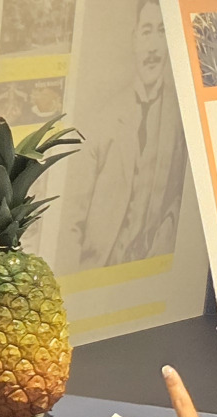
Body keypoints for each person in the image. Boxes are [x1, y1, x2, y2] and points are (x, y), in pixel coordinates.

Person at [63, 0, 188, 270]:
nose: (153, 47)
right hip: (96, 270)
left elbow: (178, 198)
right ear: (134, 40)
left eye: (162, 32)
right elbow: (71, 220)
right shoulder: (103, 121)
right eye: (146, 31)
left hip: (149, 273)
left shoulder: (178, 119)